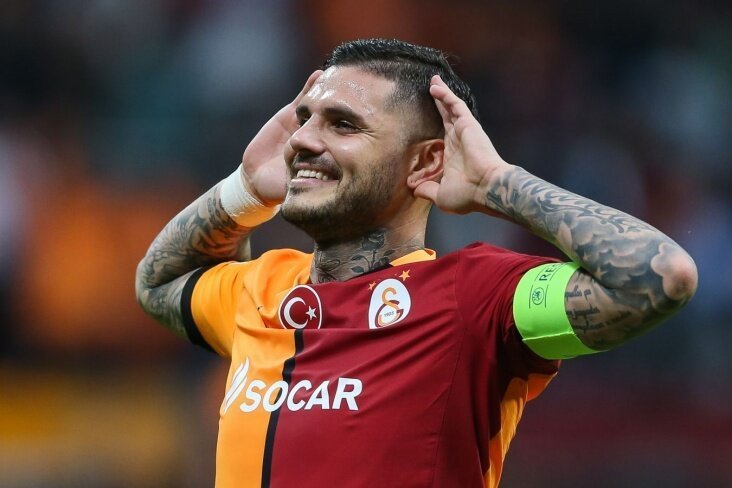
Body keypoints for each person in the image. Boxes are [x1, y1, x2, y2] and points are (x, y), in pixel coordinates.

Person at [136, 39, 697, 487]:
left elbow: (656, 277)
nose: (302, 140)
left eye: (342, 124)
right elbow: (157, 282)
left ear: (426, 162)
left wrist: (498, 183)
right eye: (305, 118)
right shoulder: (262, 286)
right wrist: (245, 189)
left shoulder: (474, 299)